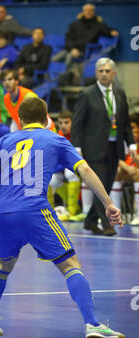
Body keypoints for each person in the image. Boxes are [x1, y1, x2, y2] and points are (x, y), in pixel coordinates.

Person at [0, 97, 125, 338]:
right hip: (33, 209)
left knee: (2, 264)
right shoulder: (56, 139)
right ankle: (93, 324)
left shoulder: (1, 141)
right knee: (70, 264)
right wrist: (108, 202)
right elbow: (84, 170)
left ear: (19, 120)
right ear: (46, 119)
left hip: (1, 211)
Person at [71, 57, 136, 236]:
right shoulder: (87, 93)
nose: (104, 74)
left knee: (106, 186)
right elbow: (77, 124)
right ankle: (106, 224)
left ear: (114, 73)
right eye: (101, 71)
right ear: (96, 73)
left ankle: (90, 221)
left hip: (114, 147)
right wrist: (76, 147)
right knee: (99, 185)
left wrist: (131, 143)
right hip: (93, 148)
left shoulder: (120, 94)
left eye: (108, 71)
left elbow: (124, 123)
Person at [52, 3, 119, 82]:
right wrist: (73, 48)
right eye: (87, 10)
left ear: (94, 12)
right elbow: (68, 38)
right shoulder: (74, 24)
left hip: (84, 51)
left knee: (69, 57)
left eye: (91, 10)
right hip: (70, 49)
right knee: (54, 59)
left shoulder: (98, 25)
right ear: (83, 12)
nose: (89, 12)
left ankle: (62, 80)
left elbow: (107, 30)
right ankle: (56, 78)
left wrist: (112, 32)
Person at [49, 110, 83, 222]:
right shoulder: (56, 136)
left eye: (66, 122)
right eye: (61, 123)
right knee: (52, 180)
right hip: (62, 168)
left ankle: (73, 210)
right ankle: (52, 210)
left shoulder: (79, 134)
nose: (63, 126)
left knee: (70, 173)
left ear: (73, 122)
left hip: (78, 168)